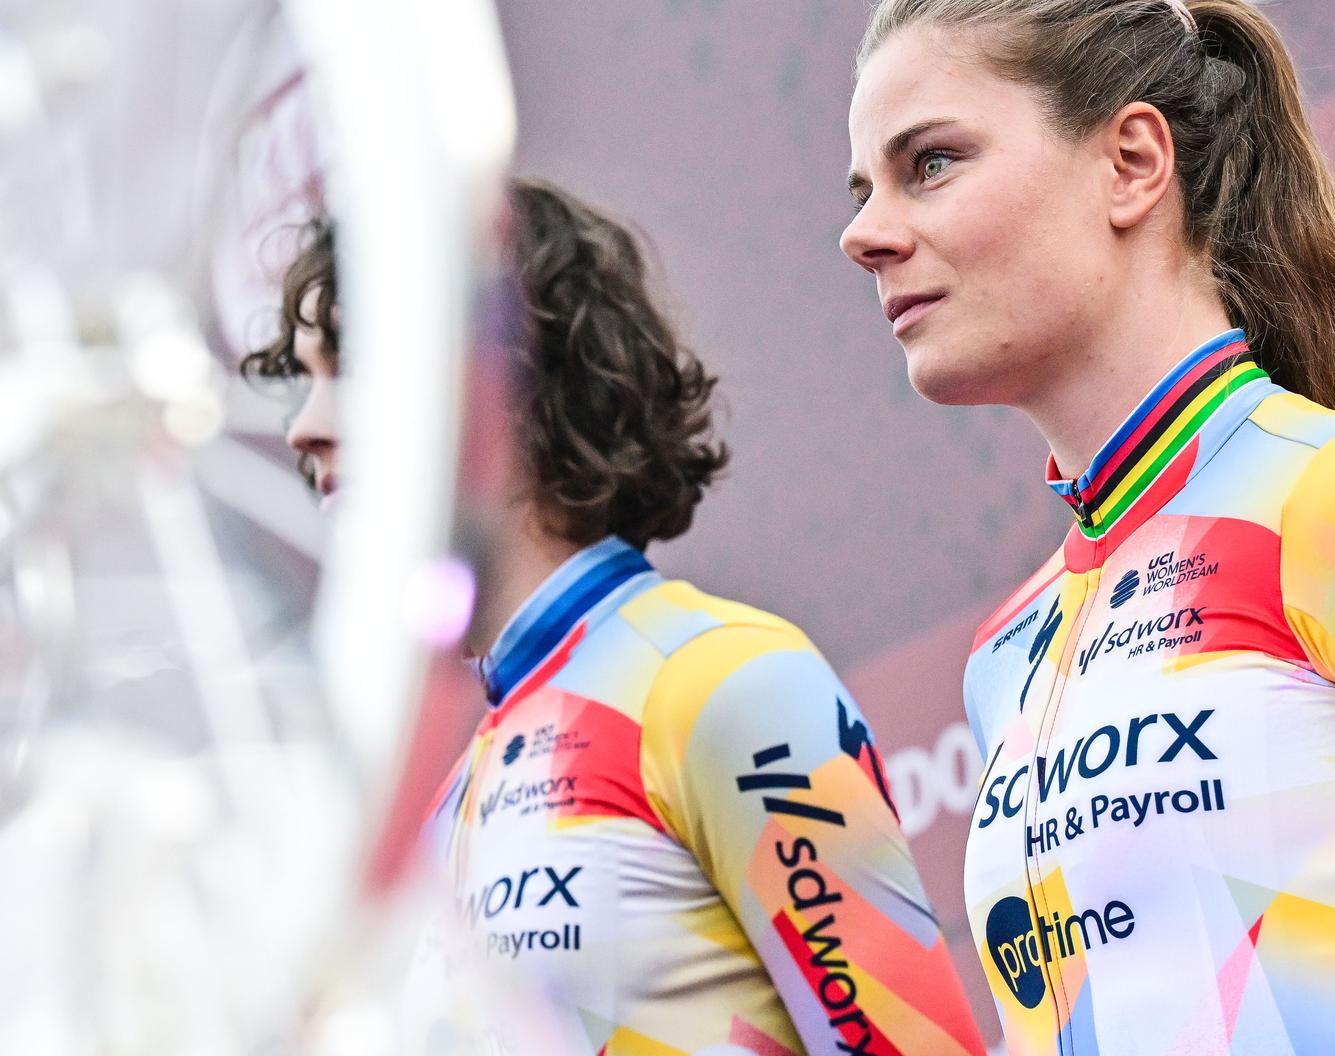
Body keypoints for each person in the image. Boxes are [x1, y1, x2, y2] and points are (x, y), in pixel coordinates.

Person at [839, 0, 1335, 1055]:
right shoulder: (1007, 655)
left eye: (930, 162)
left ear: (1133, 162)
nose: (864, 234)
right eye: (864, 190)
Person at [247, 179, 984, 1055]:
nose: (304, 428)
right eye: (306, 380)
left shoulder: (718, 678)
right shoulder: (445, 797)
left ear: (500, 377)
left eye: (353, 365)